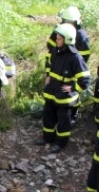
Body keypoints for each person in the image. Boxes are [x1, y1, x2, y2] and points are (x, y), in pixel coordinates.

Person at [38, 23, 90, 152]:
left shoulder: (75, 57)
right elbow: (49, 61)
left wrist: (73, 88)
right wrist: (48, 75)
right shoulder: (56, 50)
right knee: (48, 116)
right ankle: (47, 138)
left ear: (67, 40)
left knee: (63, 122)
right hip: (52, 91)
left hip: (64, 96)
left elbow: (85, 79)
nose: (56, 40)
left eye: (59, 38)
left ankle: (60, 144)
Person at [47, 6, 90, 122]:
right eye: (66, 21)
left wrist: (74, 69)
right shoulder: (59, 31)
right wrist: (48, 74)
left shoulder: (82, 36)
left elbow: (84, 58)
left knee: (71, 96)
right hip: (57, 71)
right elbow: (50, 49)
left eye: (70, 22)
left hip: (73, 72)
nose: (68, 24)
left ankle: (73, 113)